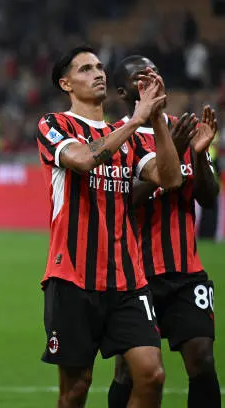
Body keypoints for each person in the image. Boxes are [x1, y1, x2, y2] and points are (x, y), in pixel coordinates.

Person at [36, 46, 182, 408]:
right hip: (72, 277)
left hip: (128, 280)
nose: (98, 73)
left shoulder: (129, 136)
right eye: (86, 69)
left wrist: (158, 117)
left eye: (100, 67)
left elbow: (170, 178)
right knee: (76, 388)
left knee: (152, 374)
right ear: (65, 83)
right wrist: (135, 119)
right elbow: (83, 159)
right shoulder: (53, 125)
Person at [108, 55, 221, 408]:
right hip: (135, 277)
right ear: (125, 92)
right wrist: (166, 150)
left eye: (155, 73)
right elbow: (122, 203)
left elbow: (210, 197)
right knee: (129, 372)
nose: (153, 80)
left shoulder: (185, 128)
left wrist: (199, 156)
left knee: (202, 358)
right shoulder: (116, 139)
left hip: (186, 273)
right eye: (142, 78)